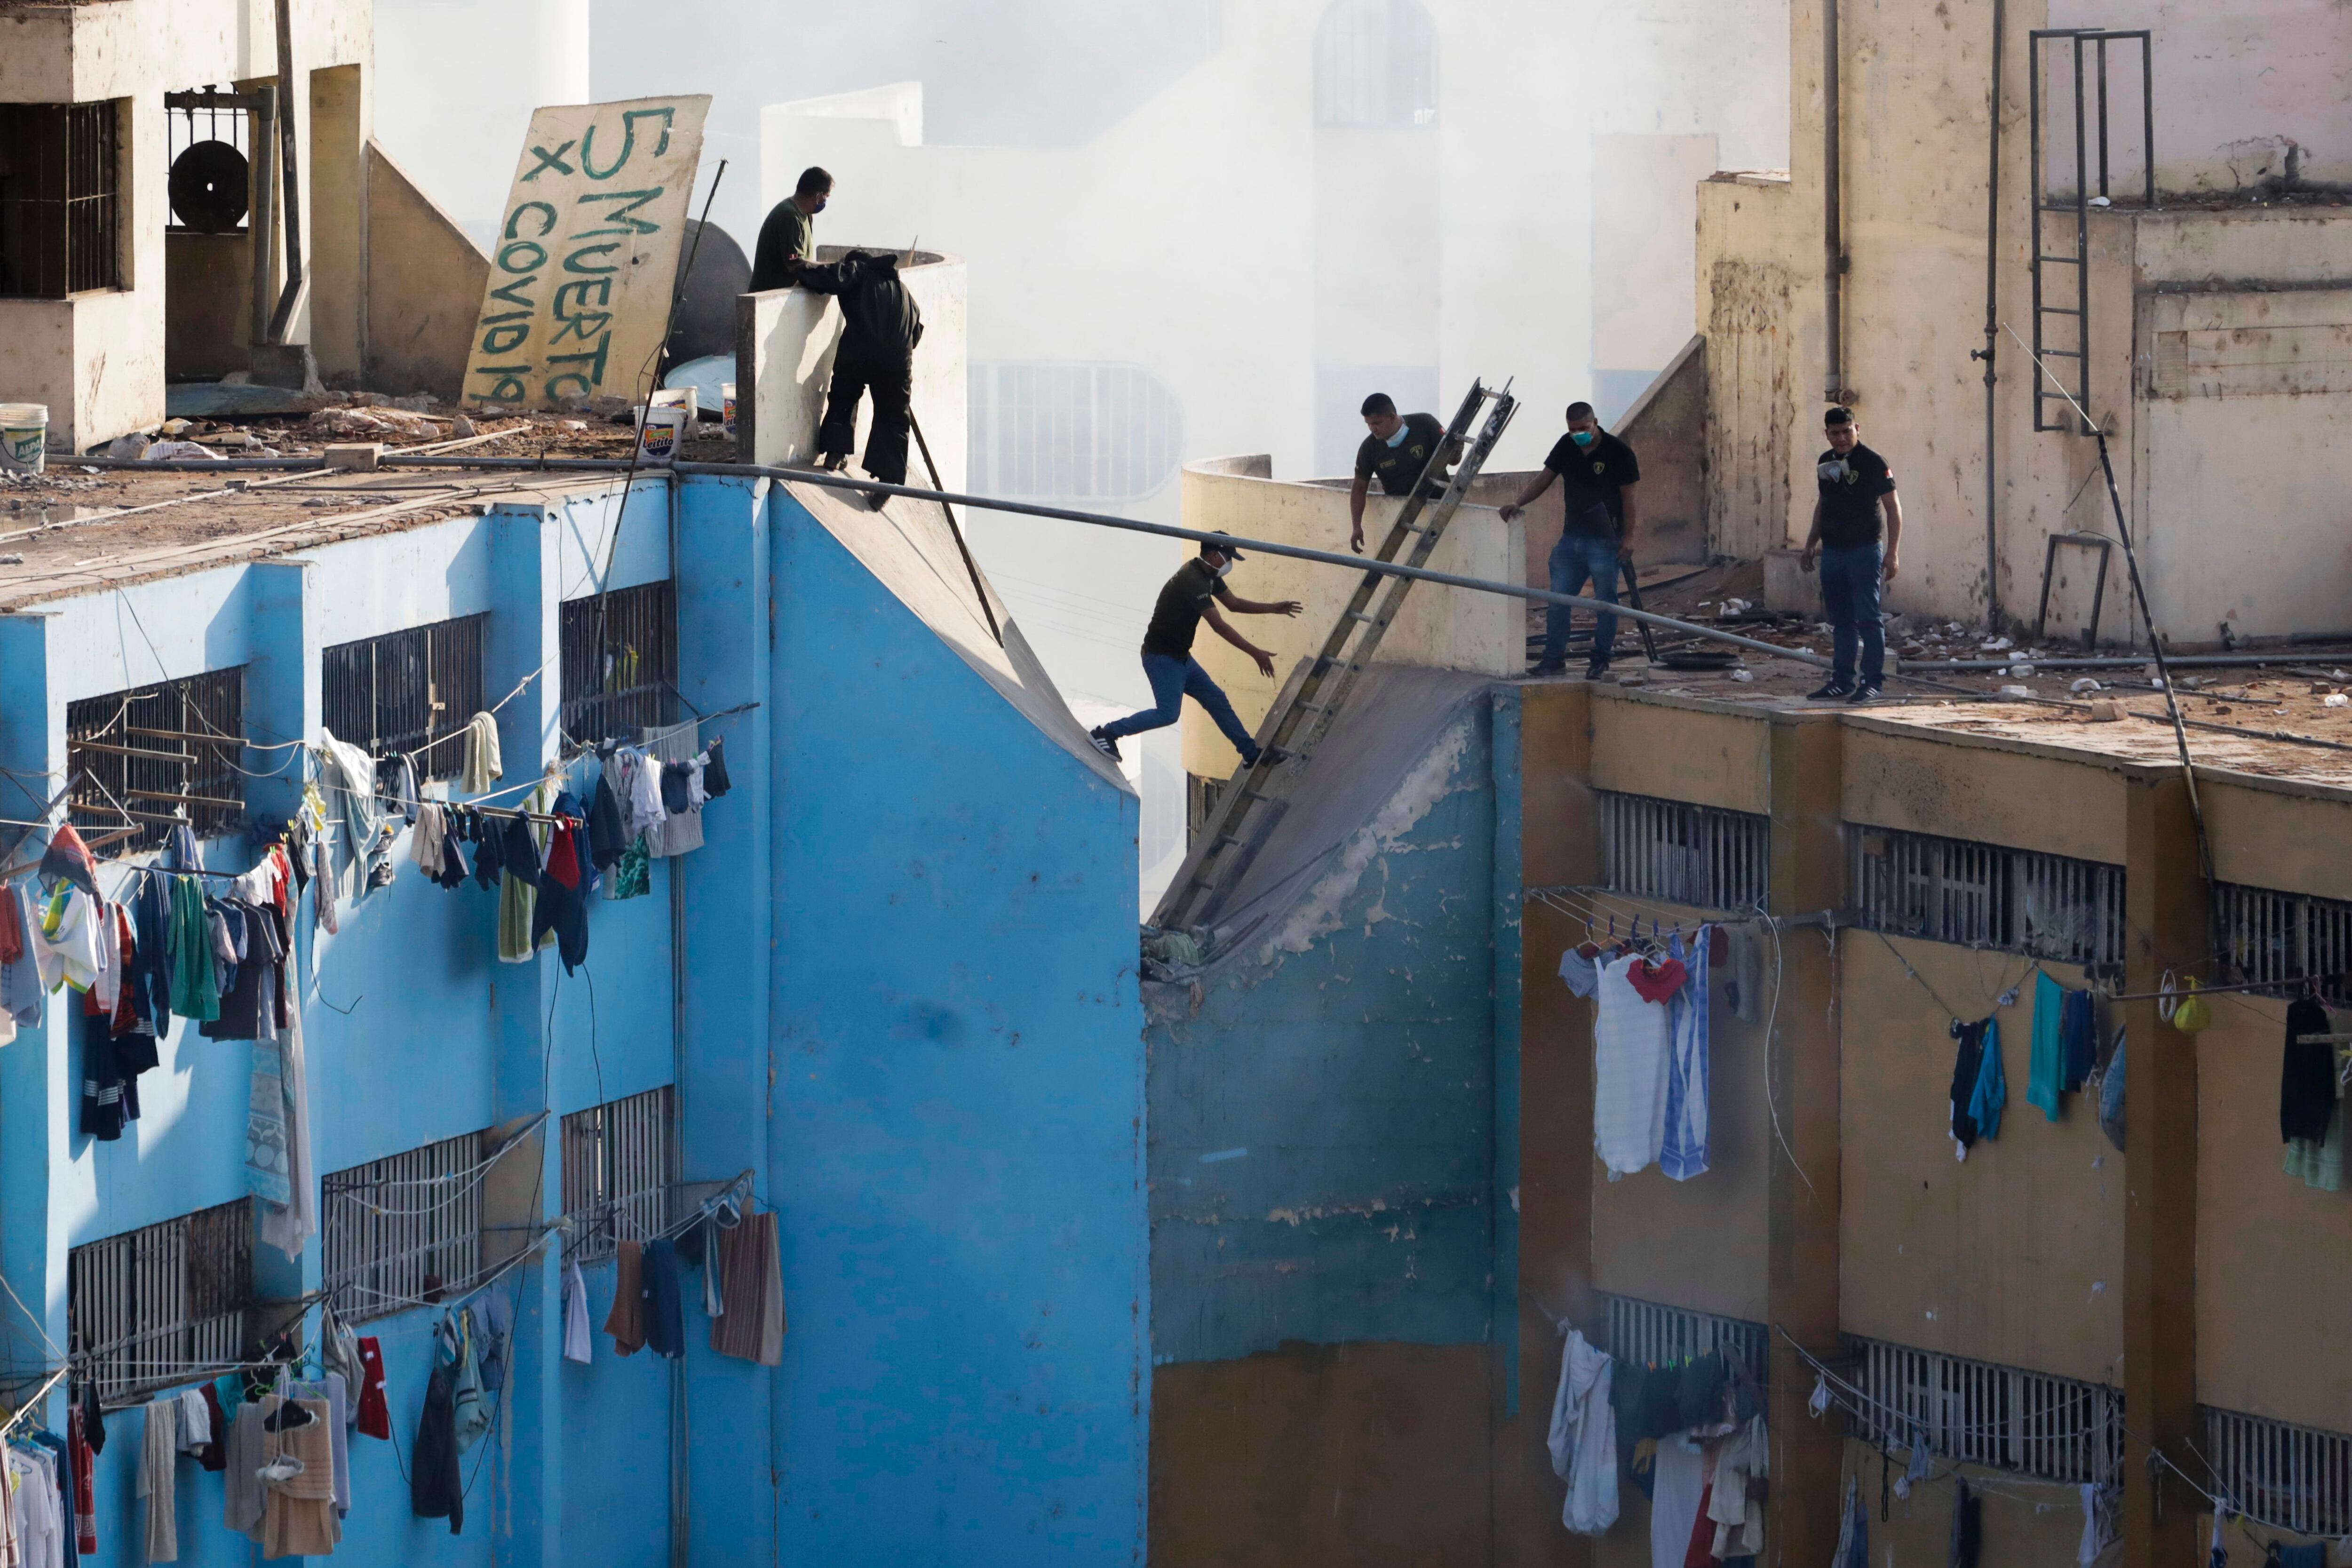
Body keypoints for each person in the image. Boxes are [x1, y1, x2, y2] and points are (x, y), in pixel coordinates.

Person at [1089, 534, 1303, 766]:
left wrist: (1274, 608)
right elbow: (1219, 626)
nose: (1229, 563)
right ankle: (1106, 733)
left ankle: (1251, 755)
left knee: (1217, 700)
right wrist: (1256, 653)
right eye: (1227, 558)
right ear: (1213, 555)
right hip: (1161, 659)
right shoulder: (1193, 580)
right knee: (1168, 714)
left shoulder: (1209, 574)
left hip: (1182, 660)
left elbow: (1234, 604)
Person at [1500, 401, 1642, 678]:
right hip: (1572, 539)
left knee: (1605, 602)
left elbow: (1629, 499)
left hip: (1605, 541)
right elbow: (1544, 479)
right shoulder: (1567, 445)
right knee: (1558, 601)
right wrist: (1518, 502)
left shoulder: (1618, 452)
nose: (1578, 434)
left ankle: (1601, 658)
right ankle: (1554, 659)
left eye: (1583, 428)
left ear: (1595, 422)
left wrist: (1629, 537)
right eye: (1573, 429)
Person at [794, 249, 922, 494]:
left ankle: (835, 453)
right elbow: (916, 332)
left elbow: (832, 277)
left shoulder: (861, 271)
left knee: (845, 393)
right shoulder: (906, 294)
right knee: (894, 416)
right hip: (898, 360)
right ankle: (887, 484)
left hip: (861, 347)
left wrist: (800, 268)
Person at [1800, 405, 1903, 702]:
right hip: (1833, 552)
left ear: (1857, 429)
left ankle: (1872, 683)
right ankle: (1842, 681)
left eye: (1847, 431)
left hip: (1865, 550)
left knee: (1870, 619)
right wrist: (1810, 543)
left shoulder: (1873, 462)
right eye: (1836, 433)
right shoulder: (1825, 462)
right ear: (1827, 435)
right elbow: (1823, 504)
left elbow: (1893, 509)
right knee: (1841, 620)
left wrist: (1892, 553)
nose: (1843, 438)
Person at [1348, 393, 1462, 554]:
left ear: (1392, 417)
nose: (1373, 429)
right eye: (1368, 424)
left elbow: (1452, 460)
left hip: (1440, 507)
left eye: (1377, 423)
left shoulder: (1425, 423)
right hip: (1401, 516)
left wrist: (1457, 453)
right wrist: (1356, 526)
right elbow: (1359, 487)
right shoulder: (1369, 448)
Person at [748, 167, 832, 291]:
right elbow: (796, 264)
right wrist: (831, 267)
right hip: (770, 297)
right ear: (819, 196)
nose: (825, 202)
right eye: (826, 197)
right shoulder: (789, 216)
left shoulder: (807, 214)